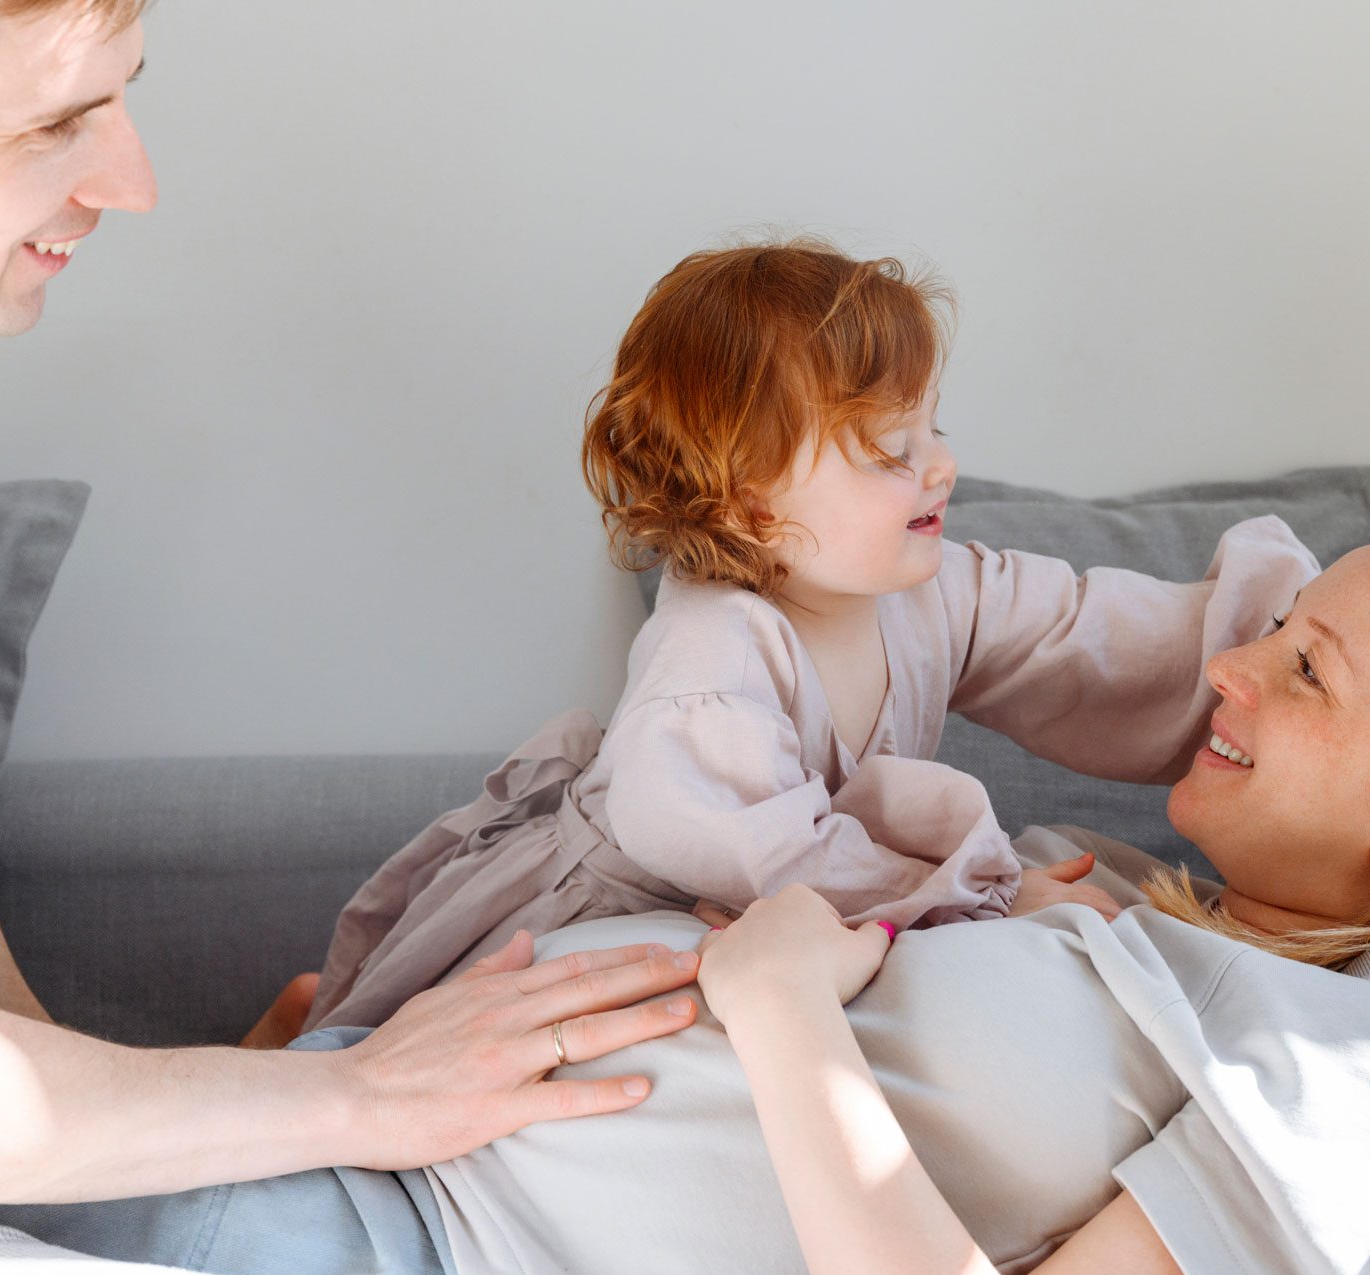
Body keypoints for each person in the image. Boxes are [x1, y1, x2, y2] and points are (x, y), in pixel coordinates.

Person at [1, 519, 1370, 1275]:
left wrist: (786, 1009)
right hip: (350, 1137)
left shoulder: (1352, 1077)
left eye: (1308, 669)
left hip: (422, 1274)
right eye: (1273, 630)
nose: (1227, 668)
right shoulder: (1159, 917)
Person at [0, 0, 700, 1245]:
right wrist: (339, 1098)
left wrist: (141, 1150)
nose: (129, 181)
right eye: (57, 122)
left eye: (122, 97)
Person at [308, 238, 1319, 1029]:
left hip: (772, 929)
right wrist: (984, 894)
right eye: (890, 449)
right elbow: (772, 854)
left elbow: (1089, 639)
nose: (939, 467)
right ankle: (296, 1025)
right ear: (752, 509)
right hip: (606, 916)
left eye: (932, 427)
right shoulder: (709, 661)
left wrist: (1286, 640)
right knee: (402, 1069)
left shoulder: (932, 593)